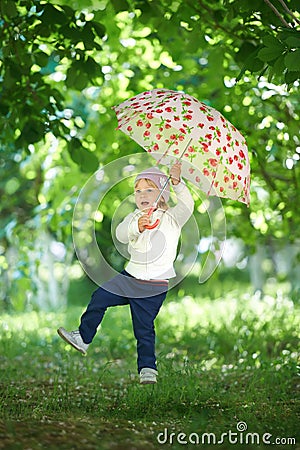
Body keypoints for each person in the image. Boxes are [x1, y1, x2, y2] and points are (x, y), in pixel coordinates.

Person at [57, 162, 194, 384]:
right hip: (129, 277)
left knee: (143, 329)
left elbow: (188, 204)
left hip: (154, 285)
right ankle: (83, 337)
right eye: (138, 190)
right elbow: (121, 234)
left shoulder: (173, 219)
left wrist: (177, 182)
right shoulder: (134, 217)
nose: (142, 194)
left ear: (162, 193)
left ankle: (148, 369)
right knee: (99, 297)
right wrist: (137, 227)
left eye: (149, 189)